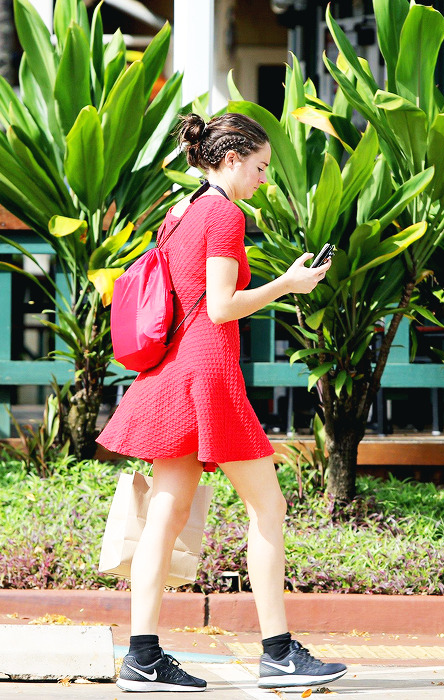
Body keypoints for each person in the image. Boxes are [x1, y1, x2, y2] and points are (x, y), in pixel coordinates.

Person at [97, 112, 346, 693]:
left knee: (166, 512)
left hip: (169, 372)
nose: (263, 178)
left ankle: (141, 655)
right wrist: (287, 284)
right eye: (259, 167)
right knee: (269, 507)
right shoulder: (224, 213)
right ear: (231, 159)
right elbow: (220, 307)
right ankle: (279, 654)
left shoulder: (180, 210)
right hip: (208, 375)